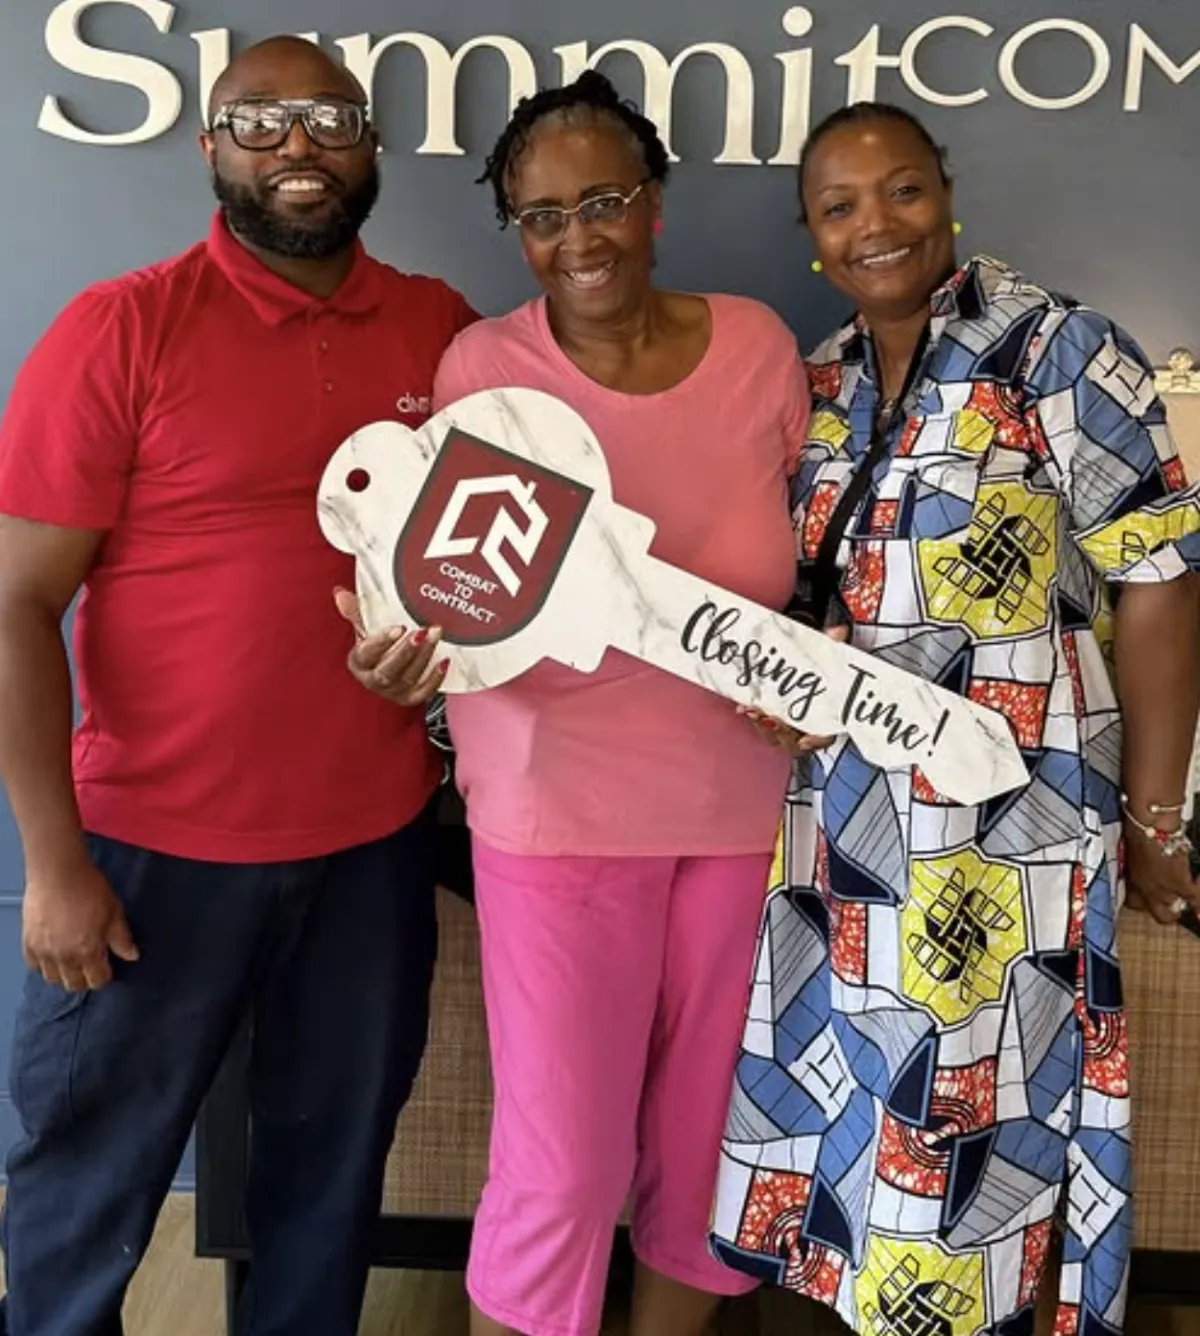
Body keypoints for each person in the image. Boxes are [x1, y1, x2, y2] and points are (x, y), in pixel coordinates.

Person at [0, 35, 474, 1336]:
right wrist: (54, 865)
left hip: (370, 853)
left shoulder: (441, 329)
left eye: (327, 118)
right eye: (258, 121)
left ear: (372, 145)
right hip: (148, 856)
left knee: (327, 1190)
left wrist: (445, 652)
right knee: (90, 1186)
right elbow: (14, 606)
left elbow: (502, 569)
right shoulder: (122, 327)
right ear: (211, 148)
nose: (297, 146)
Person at [707, 102, 1200, 1336]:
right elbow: (805, 589)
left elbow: (1160, 580)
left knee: (988, 1122)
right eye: (840, 207)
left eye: (902, 190)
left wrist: (1157, 815)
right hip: (853, 825)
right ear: (813, 239)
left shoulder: (1062, 351)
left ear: (948, 196)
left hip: (1013, 816)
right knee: (874, 1116)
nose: (875, 224)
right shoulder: (813, 382)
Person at [339, 70, 810, 1336]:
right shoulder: (483, 370)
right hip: (556, 812)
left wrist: (810, 663)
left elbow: (814, 559)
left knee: (710, 1140)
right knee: (565, 1161)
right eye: (542, 215)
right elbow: (450, 599)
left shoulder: (761, 346)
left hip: (741, 813)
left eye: (603, 199)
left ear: (656, 203)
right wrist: (403, 654)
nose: (577, 237)